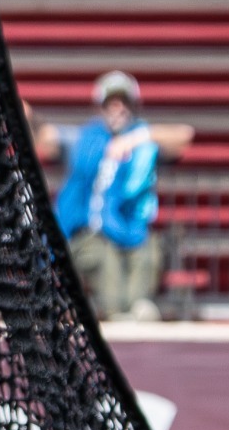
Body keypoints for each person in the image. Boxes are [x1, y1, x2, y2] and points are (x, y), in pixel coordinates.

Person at [36, 71, 193, 321]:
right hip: (89, 232)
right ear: (101, 107)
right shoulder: (84, 139)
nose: (117, 108)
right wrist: (31, 120)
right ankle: (113, 309)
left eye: (123, 102)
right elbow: (46, 139)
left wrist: (134, 139)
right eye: (111, 102)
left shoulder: (142, 145)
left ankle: (136, 306)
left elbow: (185, 135)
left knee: (148, 252)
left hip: (130, 229)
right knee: (104, 263)